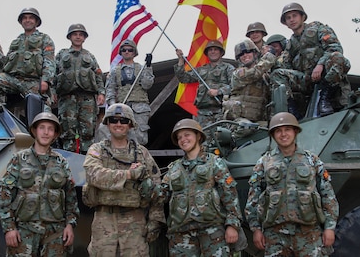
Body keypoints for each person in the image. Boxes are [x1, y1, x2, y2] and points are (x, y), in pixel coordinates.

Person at [245, 112, 339, 256]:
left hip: (309, 233)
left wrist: (329, 227)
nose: (283, 134)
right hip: (275, 235)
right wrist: (256, 229)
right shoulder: (264, 163)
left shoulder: (312, 161)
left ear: (295, 131)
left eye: (287, 129)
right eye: (278, 131)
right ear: (273, 135)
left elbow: (328, 196)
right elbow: (253, 199)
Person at [83, 103, 165, 256]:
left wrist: (155, 220)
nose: (118, 124)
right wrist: (128, 175)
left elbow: (156, 187)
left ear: (131, 125)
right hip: (104, 221)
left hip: (134, 221)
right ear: (107, 123)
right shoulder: (97, 150)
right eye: (113, 120)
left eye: (124, 121)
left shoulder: (142, 154)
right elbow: (93, 174)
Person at [155, 118, 246, 256]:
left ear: (198, 136)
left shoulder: (214, 162)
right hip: (181, 234)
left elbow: (229, 194)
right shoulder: (174, 169)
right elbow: (161, 196)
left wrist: (232, 225)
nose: (183, 140)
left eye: (187, 135)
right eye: (179, 137)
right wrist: (145, 181)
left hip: (212, 231)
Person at [0, 112, 80, 256]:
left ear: (55, 134)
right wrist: (9, 228)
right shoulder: (19, 160)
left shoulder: (61, 163)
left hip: (54, 233)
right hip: (24, 232)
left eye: (50, 129)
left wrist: (69, 225)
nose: (46, 132)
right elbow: (5, 195)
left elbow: (71, 199)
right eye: (42, 127)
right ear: (35, 131)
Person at [270, 2, 351, 118]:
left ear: (302, 17)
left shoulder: (318, 28)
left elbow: (334, 47)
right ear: (286, 24)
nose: (292, 20)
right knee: (277, 74)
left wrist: (320, 64)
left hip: (326, 75)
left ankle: (325, 99)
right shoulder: (291, 43)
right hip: (307, 80)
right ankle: (292, 112)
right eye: (288, 18)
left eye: (294, 16)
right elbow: (284, 65)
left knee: (338, 58)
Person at [0, 7, 56, 109]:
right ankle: (2, 109)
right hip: (13, 79)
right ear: (21, 22)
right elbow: (5, 63)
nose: (27, 20)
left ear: (36, 21)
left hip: (32, 81)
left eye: (31, 18)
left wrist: (45, 81)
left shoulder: (45, 39)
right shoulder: (16, 41)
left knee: (43, 111)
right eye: (24, 18)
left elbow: (49, 62)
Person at [55, 23, 105, 154]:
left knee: (87, 131)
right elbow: (53, 74)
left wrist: (101, 93)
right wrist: (52, 92)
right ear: (70, 37)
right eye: (75, 34)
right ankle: (69, 159)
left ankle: (87, 160)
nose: (78, 37)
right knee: (67, 130)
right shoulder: (61, 54)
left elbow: (98, 75)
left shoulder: (90, 56)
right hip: (67, 98)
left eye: (81, 35)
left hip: (87, 98)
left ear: (84, 38)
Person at [174, 40, 235, 147]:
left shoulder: (228, 68)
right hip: (203, 114)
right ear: (207, 53)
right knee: (202, 143)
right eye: (210, 50)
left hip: (221, 112)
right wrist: (180, 60)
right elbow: (183, 78)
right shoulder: (201, 70)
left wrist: (219, 91)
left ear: (221, 52)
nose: (213, 52)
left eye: (216, 49)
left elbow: (235, 86)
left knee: (223, 142)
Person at [223, 39, 276, 137]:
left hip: (259, 119)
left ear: (255, 54)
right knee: (247, 127)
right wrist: (269, 56)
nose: (245, 55)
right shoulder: (238, 74)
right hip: (239, 120)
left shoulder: (265, 75)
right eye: (241, 54)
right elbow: (255, 73)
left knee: (273, 128)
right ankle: (232, 143)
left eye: (248, 52)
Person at [105, 39, 154, 145]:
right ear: (121, 52)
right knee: (121, 136)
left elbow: (147, 85)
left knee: (140, 138)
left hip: (140, 108)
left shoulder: (141, 68)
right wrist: (113, 106)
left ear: (134, 52)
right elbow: (110, 89)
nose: (127, 52)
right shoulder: (115, 71)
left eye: (130, 50)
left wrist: (148, 67)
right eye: (124, 50)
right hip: (123, 107)